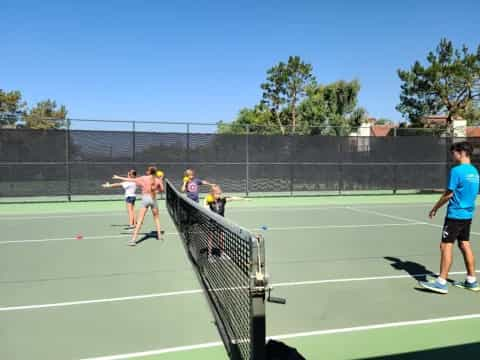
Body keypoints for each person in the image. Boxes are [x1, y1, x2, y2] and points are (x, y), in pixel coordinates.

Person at [419, 141, 480, 294]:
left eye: (453, 153)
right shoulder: (474, 172)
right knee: (464, 244)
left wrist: (435, 208)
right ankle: (471, 281)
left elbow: (449, 194)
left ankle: (441, 282)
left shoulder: (457, 171)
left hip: (455, 214)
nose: (452, 156)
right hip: (467, 214)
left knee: (446, 245)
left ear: (460, 152)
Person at [113, 166, 164, 246]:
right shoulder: (158, 180)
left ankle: (133, 240)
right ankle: (159, 236)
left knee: (140, 221)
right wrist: (160, 181)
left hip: (145, 199)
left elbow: (131, 179)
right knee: (156, 218)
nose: (147, 171)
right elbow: (161, 190)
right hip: (153, 199)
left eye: (148, 170)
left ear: (149, 172)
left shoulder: (143, 178)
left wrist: (118, 177)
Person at [203, 184, 248, 258]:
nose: (218, 195)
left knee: (222, 238)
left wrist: (243, 199)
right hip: (212, 222)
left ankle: (222, 253)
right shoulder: (209, 201)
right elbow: (204, 205)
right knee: (210, 238)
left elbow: (233, 198)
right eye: (216, 193)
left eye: (219, 193)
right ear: (212, 193)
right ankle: (210, 254)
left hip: (221, 222)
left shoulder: (223, 200)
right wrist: (208, 198)